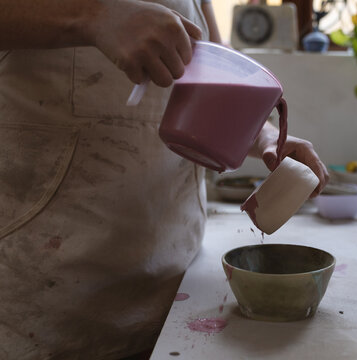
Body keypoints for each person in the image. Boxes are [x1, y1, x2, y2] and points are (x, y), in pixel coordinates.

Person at [0, 1, 329, 359]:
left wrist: (263, 135)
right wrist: (93, 16)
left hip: (176, 289)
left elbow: (220, 72)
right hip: (51, 297)